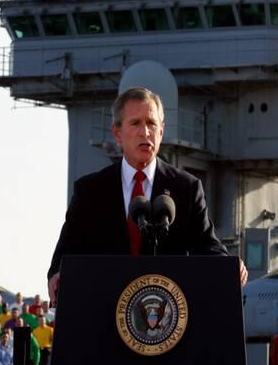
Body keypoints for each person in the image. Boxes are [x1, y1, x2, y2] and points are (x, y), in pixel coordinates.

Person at [48, 86, 248, 304]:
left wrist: (229, 266)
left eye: (151, 123)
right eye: (135, 123)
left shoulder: (187, 189)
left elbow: (207, 246)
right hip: (105, 310)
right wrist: (57, 274)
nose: (145, 132)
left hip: (168, 316)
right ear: (117, 133)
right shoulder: (90, 191)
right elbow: (66, 252)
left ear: (161, 131)